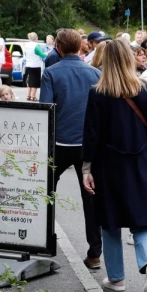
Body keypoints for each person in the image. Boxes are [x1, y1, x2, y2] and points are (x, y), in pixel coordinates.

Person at [81, 39, 147, 292]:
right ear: (130, 59)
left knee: (110, 222)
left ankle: (116, 278)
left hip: (109, 165)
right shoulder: (146, 90)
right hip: (140, 161)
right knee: (140, 220)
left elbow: (91, 134)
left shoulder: (98, 92)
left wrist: (86, 168)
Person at [40, 29, 103, 269]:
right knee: (90, 198)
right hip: (88, 145)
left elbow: (45, 109)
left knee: (47, 193)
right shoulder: (95, 73)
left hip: (58, 143)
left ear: (57, 47)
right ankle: (95, 252)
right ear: (81, 47)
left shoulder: (51, 73)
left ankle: (44, 242)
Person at [23, 32, 46, 102]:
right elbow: (41, 54)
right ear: (36, 38)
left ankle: (28, 95)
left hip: (28, 65)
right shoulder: (36, 45)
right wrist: (47, 54)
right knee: (35, 82)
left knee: (29, 81)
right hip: (35, 65)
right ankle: (33, 96)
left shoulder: (26, 45)